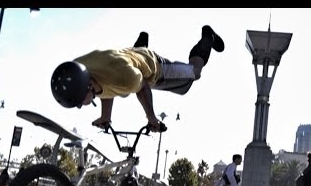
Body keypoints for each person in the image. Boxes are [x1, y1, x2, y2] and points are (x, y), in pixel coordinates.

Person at [50, 25, 224, 132]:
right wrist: (105, 116)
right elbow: (105, 88)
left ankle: (207, 38)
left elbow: (142, 88)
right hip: (124, 59)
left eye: (80, 102)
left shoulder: (123, 78)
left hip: (156, 67)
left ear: (88, 85)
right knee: (128, 77)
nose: (80, 107)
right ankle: (139, 47)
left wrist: (152, 119)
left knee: (193, 74)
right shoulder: (77, 68)